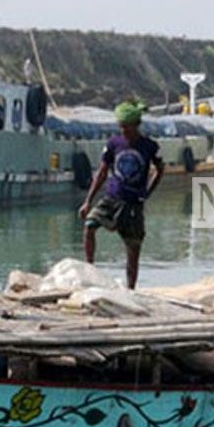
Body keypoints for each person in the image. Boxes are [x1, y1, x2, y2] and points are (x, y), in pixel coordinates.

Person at [78, 100, 165, 289]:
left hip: (133, 203)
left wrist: (147, 192)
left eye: (127, 127)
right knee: (90, 225)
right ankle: (90, 268)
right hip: (111, 198)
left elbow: (160, 169)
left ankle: (131, 289)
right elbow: (102, 172)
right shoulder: (113, 143)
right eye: (121, 127)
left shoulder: (149, 146)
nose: (124, 130)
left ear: (137, 125)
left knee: (133, 248)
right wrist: (88, 201)